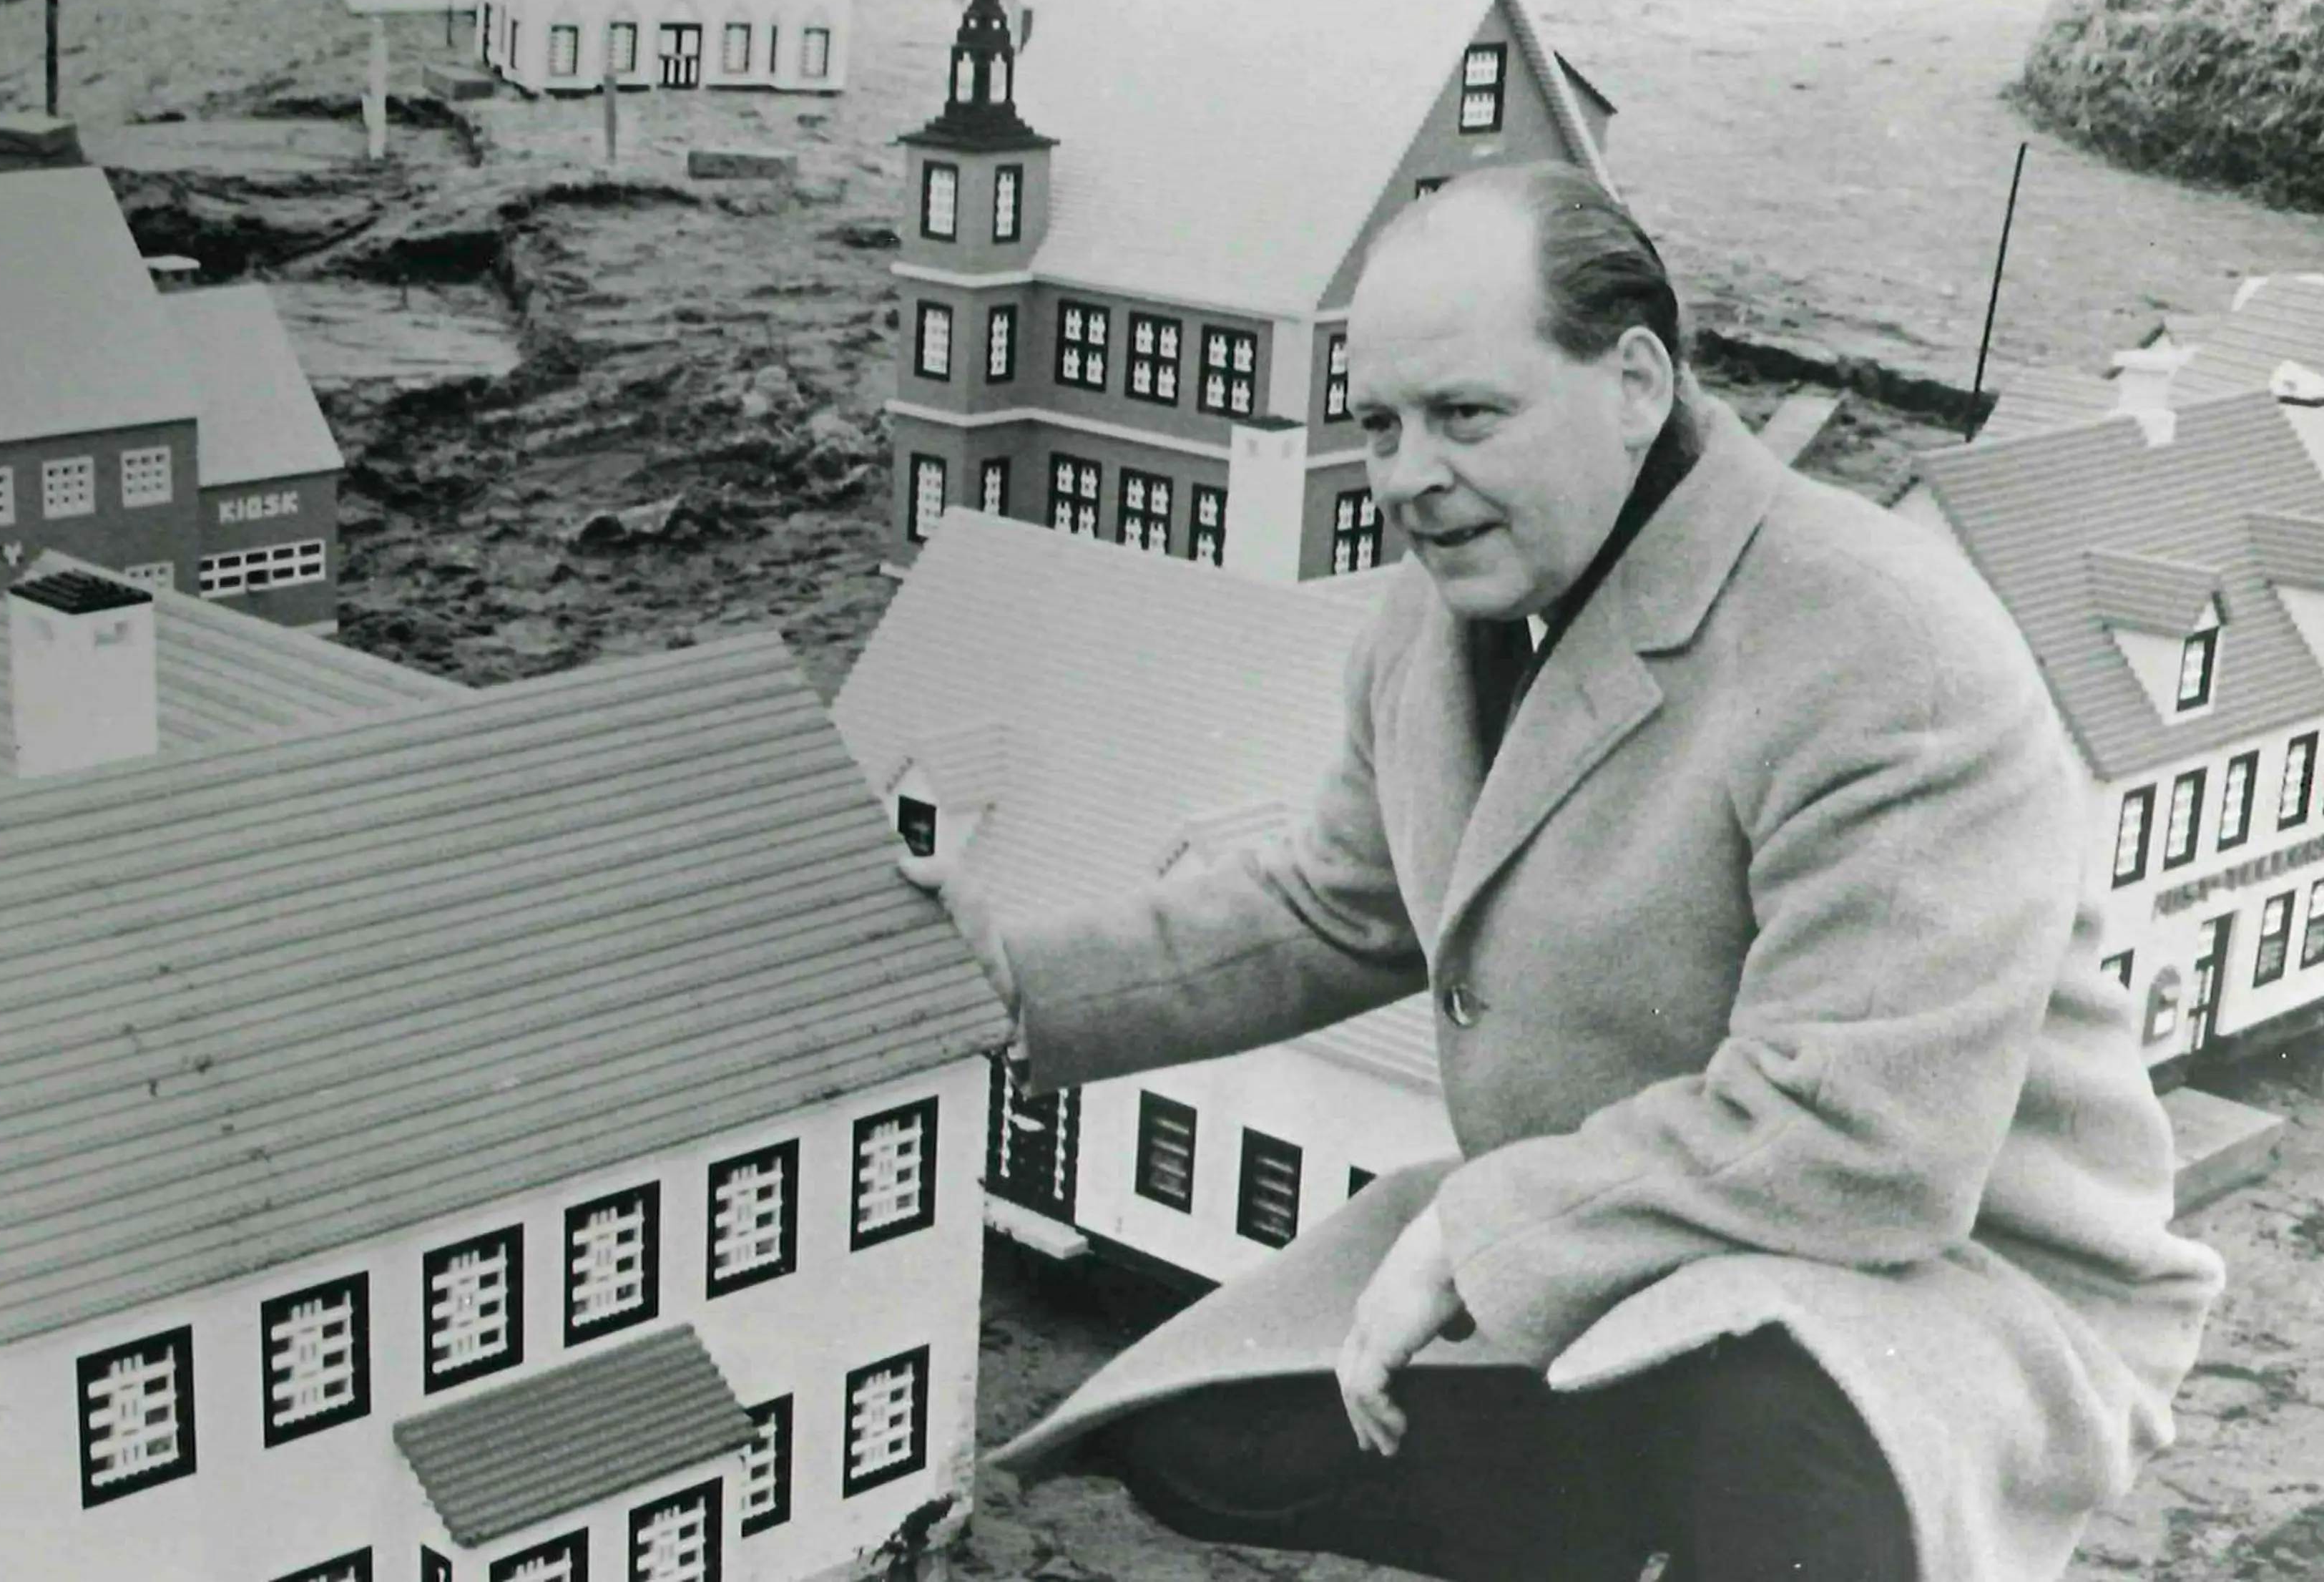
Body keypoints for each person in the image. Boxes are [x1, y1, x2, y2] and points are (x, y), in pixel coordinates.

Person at [913, 164, 2224, 1582]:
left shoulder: (1882, 643)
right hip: (1639, 1235)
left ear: (1636, 383)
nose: (1410, 474)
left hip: (1934, 1288)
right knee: (1211, 1443)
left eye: (1467, 414)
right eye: (1379, 425)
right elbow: (1335, 905)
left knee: (1761, 1444)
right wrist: (1005, 986)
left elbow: (1870, 1150)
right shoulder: (1428, 630)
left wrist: (1484, 1236)